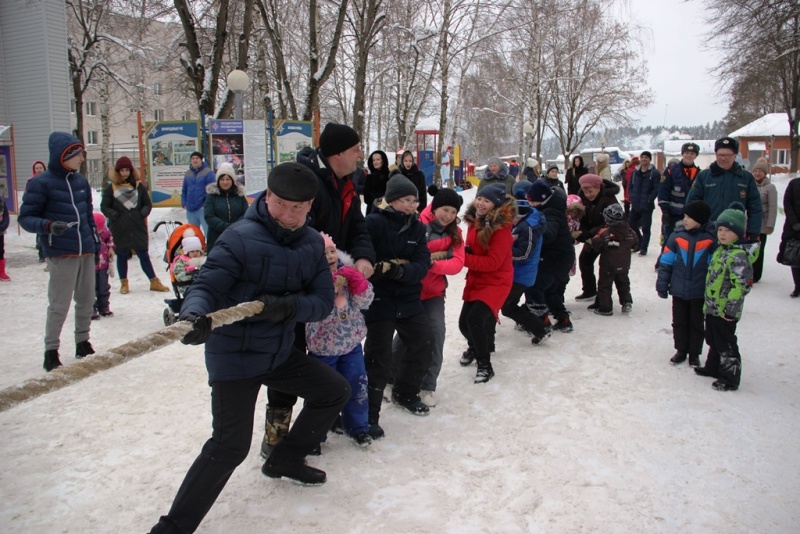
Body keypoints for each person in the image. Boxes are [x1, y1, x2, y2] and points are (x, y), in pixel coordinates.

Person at [148, 163, 350, 534]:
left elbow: (322, 302)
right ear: (266, 197)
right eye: (281, 204)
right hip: (235, 355)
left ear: (309, 207)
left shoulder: (310, 245)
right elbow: (207, 284)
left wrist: (288, 307)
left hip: (277, 352)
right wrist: (194, 315)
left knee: (334, 391)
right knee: (229, 446)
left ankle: (284, 459)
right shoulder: (239, 237)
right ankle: (172, 528)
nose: (289, 215)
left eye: (299, 207)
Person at [261, 123, 376, 459]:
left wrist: (364, 257)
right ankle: (277, 435)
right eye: (356, 148)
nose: (360, 154)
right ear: (337, 153)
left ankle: (324, 420)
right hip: (295, 288)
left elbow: (356, 225)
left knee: (332, 362)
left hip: (331, 284)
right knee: (287, 357)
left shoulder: (347, 182)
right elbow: (298, 232)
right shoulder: (309, 181)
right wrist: (324, 273)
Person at [18, 132, 97, 372]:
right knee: (59, 304)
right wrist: (48, 226)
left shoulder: (81, 182)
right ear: (64, 156)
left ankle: (82, 342)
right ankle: (51, 350)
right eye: (78, 154)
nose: (82, 159)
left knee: (86, 300)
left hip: (86, 251)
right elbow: (26, 218)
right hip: (61, 252)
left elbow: (88, 217)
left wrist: (96, 241)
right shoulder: (40, 183)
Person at [363, 174, 432, 436]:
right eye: (406, 200)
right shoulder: (373, 222)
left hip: (408, 298)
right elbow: (369, 260)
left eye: (415, 201)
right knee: (377, 358)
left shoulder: (417, 227)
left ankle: (406, 391)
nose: (412, 206)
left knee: (424, 340)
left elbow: (422, 264)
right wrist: (386, 268)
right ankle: (369, 414)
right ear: (391, 200)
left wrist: (401, 271)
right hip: (380, 301)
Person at [393, 185, 465, 407]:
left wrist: (429, 263)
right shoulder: (417, 224)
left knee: (436, 333)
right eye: (445, 209)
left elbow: (457, 264)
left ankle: (427, 384)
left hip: (433, 292)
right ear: (434, 207)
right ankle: (390, 378)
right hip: (409, 290)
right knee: (405, 337)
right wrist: (431, 259)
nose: (448, 216)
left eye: (453, 212)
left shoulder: (455, 233)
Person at [305, 231, 374, 447]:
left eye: (332, 251)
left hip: (351, 343)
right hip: (322, 348)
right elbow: (308, 310)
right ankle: (315, 434)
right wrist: (325, 287)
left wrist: (358, 281)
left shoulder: (347, 274)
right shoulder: (309, 280)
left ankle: (358, 427)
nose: (329, 256)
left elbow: (365, 302)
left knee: (357, 385)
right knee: (321, 392)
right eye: (323, 253)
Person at [458, 183, 515, 383]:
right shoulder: (475, 221)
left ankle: (485, 364)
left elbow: (492, 263)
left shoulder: (502, 230)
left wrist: (462, 259)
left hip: (496, 281)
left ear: (496, 205)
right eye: (480, 198)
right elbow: (472, 248)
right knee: (463, 324)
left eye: (487, 201)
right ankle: (475, 347)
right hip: (477, 278)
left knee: (475, 320)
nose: (481, 203)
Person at [694, 204, 753, 391]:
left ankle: (730, 377)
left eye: (728, 230)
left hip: (726, 310)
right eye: (720, 229)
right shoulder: (720, 250)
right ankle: (713, 367)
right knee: (712, 338)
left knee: (725, 343)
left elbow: (741, 285)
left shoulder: (738, 256)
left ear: (738, 233)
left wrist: (730, 308)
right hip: (712, 306)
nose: (722, 234)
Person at [656, 201, 715, 367]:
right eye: (685, 216)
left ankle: (694, 353)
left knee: (697, 323)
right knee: (679, 322)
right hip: (678, 290)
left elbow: (714, 270)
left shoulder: (711, 240)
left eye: (689, 217)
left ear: (701, 219)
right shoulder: (676, 237)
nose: (685, 220)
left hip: (699, 292)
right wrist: (662, 284)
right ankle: (681, 350)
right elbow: (666, 263)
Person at [101, 156, 170, 294]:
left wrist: (141, 213)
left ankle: (154, 281)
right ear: (117, 172)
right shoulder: (111, 188)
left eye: (127, 170)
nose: (125, 173)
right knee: (122, 254)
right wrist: (114, 215)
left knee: (143, 254)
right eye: (122, 170)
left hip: (137, 225)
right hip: (120, 226)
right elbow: (104, 206)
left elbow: (147, 204)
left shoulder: (139, 187)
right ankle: (124, 283)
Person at [686, 137, 762, 239]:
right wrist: (694, 227)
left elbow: (755, 207)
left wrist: (753, 232)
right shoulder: (704, 176)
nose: (723, 158)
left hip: (735, 233)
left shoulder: (746, 178)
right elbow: (692, 203)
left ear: (735, 156)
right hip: (708, 232)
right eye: (720, 155)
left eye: (727, 155)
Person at [500, 184, 548, 345]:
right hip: (519, 273)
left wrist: (502, 253)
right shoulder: (526, 221)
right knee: (507, 305)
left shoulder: (528, 227)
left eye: (512, 218)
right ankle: (539, 328)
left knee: (506, 306)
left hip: (522, 275)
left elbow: (524, 254)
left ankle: (540, 328)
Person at [573, 173, 620, 303]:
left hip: (609, 236)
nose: (588, 194)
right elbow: (580, 215)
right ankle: (589, 290)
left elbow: (611, 221)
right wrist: (583, 231)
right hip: (592, 236)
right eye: (585, 191)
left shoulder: (609, 198)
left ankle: (606, 297)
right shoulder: (582, 197)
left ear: (598, 187)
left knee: (608, 265)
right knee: (585, 259)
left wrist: (591, 232)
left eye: (590, 191)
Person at [590, 204, 638, 316]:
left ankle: (605, 308)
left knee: (604, 286)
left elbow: (596, 245)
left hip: (608, 265)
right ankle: (627, 301)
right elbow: (635, 245)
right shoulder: (630, 231)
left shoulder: (604, 233)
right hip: (624, 264)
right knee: (623, 283)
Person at [657, 143, 701, 265]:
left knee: (689, 240)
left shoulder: (699, 173)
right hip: (673, 214)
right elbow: (663, 191)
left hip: (692, 216)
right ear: (682, 154)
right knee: (669, 239)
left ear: (696, 156)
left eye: (692, 153)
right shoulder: (671, 170)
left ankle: (682, 263)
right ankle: (663, 263)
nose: (689, 155)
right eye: (687, 153)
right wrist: (665, 211)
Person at [203, 163, 248, 252]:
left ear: (232, 180)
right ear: (218, 181)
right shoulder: (212, 196)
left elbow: (245, 214)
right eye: (222, 179)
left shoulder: (239, 195)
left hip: (237, 236)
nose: (225, 182)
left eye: (228, 179)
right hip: (216, 236)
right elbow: (209, 215)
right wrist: (225, 227)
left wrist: (235, 227)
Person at [627, 151, 661, 256]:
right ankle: (639, 241)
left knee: (646, 227)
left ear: (650, 159)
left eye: (646, 157)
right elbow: (630, 186)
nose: (644, 159)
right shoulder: (635, 172)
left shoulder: (654, 173)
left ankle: (644, 248)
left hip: (647, 205)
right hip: (636, 203)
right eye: (642, 157)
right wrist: (631, 197)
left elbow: (656, 189)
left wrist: (649, 199)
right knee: (631, 223)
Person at [751, 159, 777, 283]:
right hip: (749, 222)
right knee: (749, 248)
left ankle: (756, 275)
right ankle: (748, 272)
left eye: (760, 171)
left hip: (762, 224)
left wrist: (770, 225)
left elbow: (772, 207)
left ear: (765, 173)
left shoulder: (770, 188)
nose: (757, 173)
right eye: (755, 171)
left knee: (759, 250)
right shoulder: (750, 185)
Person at [181, 151, 216, 236]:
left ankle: (209, 248)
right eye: (193, 158)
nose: (195, 160)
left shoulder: (208, 172)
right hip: (190, 209)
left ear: (201, 160)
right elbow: (184, 189)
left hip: (202, 208)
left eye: (197, 158)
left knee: (208, 232)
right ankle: (196, 249)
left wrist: (205, 204)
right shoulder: (188, 173)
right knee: (193, 234)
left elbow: (212, 190)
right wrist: (184, 203)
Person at [778, 175, 800, 297]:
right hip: (794, 227)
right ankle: (797, 286)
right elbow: (787, 203)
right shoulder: (794, 184)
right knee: (795, 257)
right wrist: (794, 221)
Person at [91, 213, 115, 319]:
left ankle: (104, 307)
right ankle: (91, 309)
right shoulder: (87, 234)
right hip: (90, 266)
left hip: (103, 264)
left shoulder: (105, 231)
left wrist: (110, 248)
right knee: (91, 288)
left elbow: (109, 238)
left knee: (103, 287)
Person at [27, 161, 47, 263]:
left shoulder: (49, 180)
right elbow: (28, 196)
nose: (39, 170)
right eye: (37, 168)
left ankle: (47, 253)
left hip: (48, 210)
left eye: (40, 168)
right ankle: (41, 254)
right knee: (40, 232)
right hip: (38, 211)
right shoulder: (31, 181)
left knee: (48, 232)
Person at [365, 150, 390, 214]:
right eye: (374, 160)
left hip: (386, 209)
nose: (375, 162)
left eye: (378, 159)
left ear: (383, 161)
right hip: (372, 210)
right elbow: (367, 197)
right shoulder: (369, 177)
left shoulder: (389, 176)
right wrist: (377, 202)